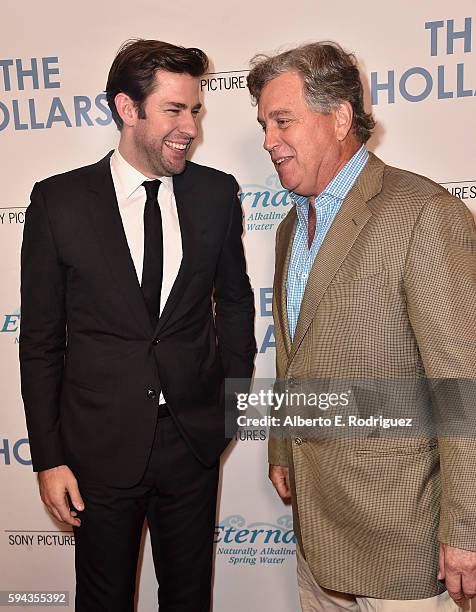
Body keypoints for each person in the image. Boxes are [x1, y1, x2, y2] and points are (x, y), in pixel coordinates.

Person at [20, 39, 256, 611]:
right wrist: (49, 459)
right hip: (98, 449)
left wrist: (227, 409)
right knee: (102, 600)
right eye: (174, 110)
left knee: (188, 598)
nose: (190, 127)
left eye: (195, 110)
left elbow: (237, 304)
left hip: (192, 444)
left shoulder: (217, 193)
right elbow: (42, 343)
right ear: (128, 109)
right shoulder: (59, 203)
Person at [247, 42, 476, 611]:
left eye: (282, 121)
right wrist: (282, 442)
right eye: (264, 125)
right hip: (317, 536)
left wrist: (467, 530)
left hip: (401, 541)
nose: (269, 142)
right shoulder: (287, 229)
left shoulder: (424, 213)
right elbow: (294, 357)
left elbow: (462, 386)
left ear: (341, 117)